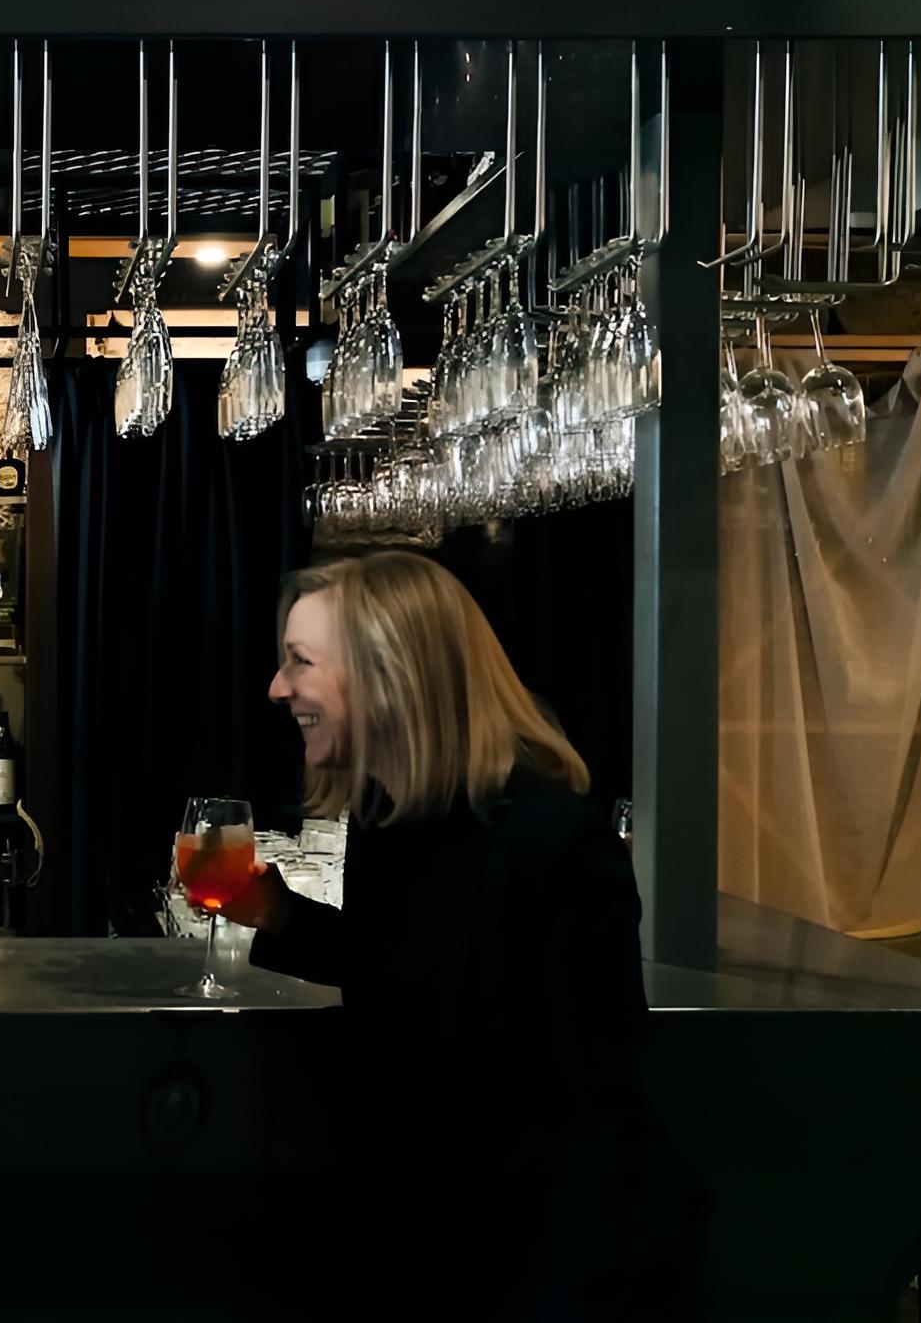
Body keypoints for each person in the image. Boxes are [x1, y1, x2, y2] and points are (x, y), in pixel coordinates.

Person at [220, 551, 654, 1320]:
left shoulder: (552, 842)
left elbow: (596, 1129)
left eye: (301, 662)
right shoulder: (393, 819)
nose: (278, 688)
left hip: (510, 1274)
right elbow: (400, 968)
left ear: (390, 675)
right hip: (415, 1249)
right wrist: (277, 914)